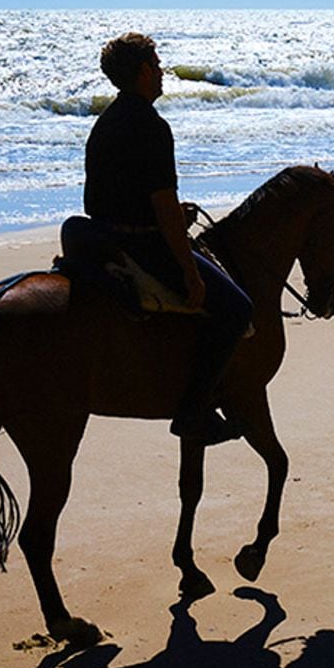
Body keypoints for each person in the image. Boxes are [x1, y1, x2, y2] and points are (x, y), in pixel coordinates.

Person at [84, 32, 252, 445]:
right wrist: (189, 271)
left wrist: (169, 214)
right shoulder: (153, 126)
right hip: (141, 245)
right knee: (236, 307)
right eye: (157, 66)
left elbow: (101, 197)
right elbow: (160, 204)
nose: (161, 74)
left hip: (102, 238)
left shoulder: (104, 123)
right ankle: (194, 410)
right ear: (143, 72)